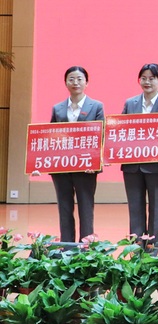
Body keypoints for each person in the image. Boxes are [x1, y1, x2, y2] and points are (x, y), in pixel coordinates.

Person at [121, 63, 158, 242]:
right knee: (135, 209)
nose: (147, 82)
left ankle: (152, 250)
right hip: (133, 167)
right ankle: (137, 249)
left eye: (152, 78)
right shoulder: (130, 103)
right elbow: (120, 132)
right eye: (143, 78)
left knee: (157, 210)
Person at [48, 66, 104, 242]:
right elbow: (51, 137)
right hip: (62, 167)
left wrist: (94, 162)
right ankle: (67, 246)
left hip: (86, 167)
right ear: (65, 82)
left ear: (87, 83)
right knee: (64, 207)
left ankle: (85, 247)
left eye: (80, 79)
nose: (75, 82)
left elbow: (101, 135)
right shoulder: (58, 108)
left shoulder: (96, 106)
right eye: (71, 79)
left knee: (86, 208)